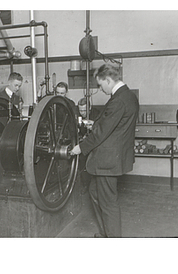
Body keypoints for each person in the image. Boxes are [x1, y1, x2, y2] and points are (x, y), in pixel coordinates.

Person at [70, 64, 139, 238]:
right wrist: (97, 124)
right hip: (116, 156)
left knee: (108, 202)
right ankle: (107, 234)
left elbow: (102, 133)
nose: (100, 89)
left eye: (101, 85)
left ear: (108, 80)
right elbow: (114, 125)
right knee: (95, 192)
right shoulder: (129, 96)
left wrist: (81, 147)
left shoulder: (118, 100)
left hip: (108, 160)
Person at [77, 97, 100, 194]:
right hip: (84, 143)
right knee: (82, 161)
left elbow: (101, 129)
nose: (82, 113)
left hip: (95, 143)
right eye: (80, 110)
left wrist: (93, 126)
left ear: (89, 107)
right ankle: (85, 185)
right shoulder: (78, 116)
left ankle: (94, 186)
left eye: (84, 110)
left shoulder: (97, 114)